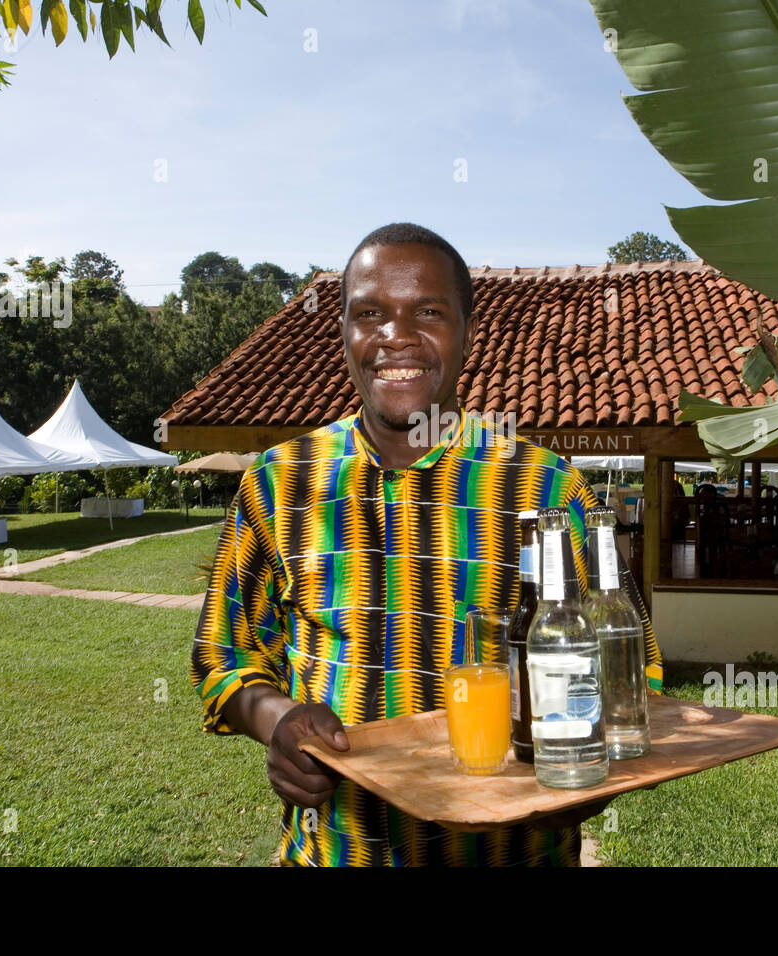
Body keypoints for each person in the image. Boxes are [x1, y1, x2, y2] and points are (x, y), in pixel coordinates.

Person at [191, 223, 663, 866]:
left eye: (429, 312)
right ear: (345, 333)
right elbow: (222, 652)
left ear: (469, 333)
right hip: (335, 853)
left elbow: (632, 668)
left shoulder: (549, 490)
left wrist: (591, 772)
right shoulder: (279, 482)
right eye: (370, 314)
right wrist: (275, 718)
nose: (396, 336)